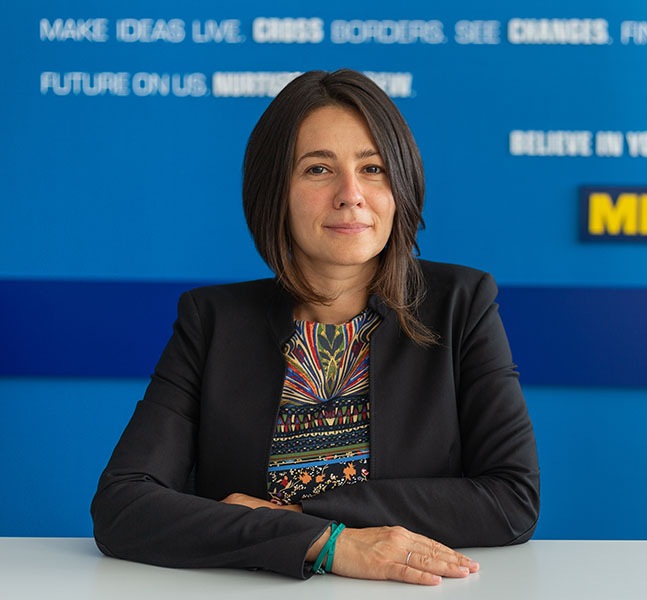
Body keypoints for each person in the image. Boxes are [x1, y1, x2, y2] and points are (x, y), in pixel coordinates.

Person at [91, 68, 540, 586]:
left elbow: (512, 500)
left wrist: (302, 517)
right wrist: (328, 543)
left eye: (373, 168)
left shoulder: (461, 304)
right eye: (318, 169)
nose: (351, 194)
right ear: (274, 191)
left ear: (401, 184)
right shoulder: (212, 321)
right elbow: (123, 506)